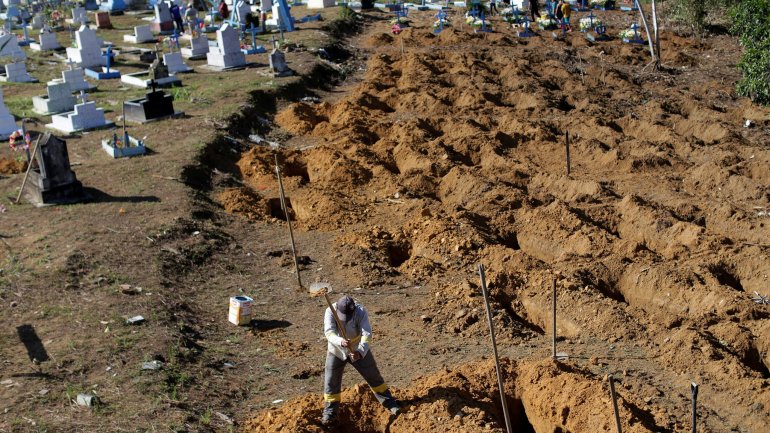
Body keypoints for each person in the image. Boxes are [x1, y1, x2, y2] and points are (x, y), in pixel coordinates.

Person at [322, 295, 400, 425]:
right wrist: (341, 341)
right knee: (331, 381)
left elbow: (366, 334)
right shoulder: (330, 310)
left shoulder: (360, 311)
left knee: (373, 376)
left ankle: (390, 403)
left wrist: (360, 352)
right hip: (336, 350)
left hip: (357, 349)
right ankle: (330, 413)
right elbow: (329, 332)